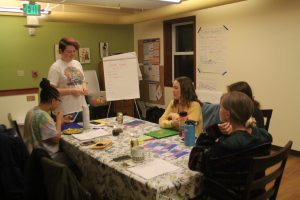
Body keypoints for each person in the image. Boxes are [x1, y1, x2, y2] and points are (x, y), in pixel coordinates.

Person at [189, 91, 272, 173]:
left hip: (225, 186)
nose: (219, 109)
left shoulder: (225, 146)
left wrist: (211, 133)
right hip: (253, 184)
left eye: (220, 107)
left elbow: (194, 162)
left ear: (227, 115)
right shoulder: (265, 136)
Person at [48, 37, 88, 122]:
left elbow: (83, 81)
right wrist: (71, 91)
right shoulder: (55, 67)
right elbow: (51, 91)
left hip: (81, 109)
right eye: (69, 51)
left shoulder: (77, 63)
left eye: (74, 51)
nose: (72, 54)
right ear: (61, 51)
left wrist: (84, 87)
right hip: (65, 112)